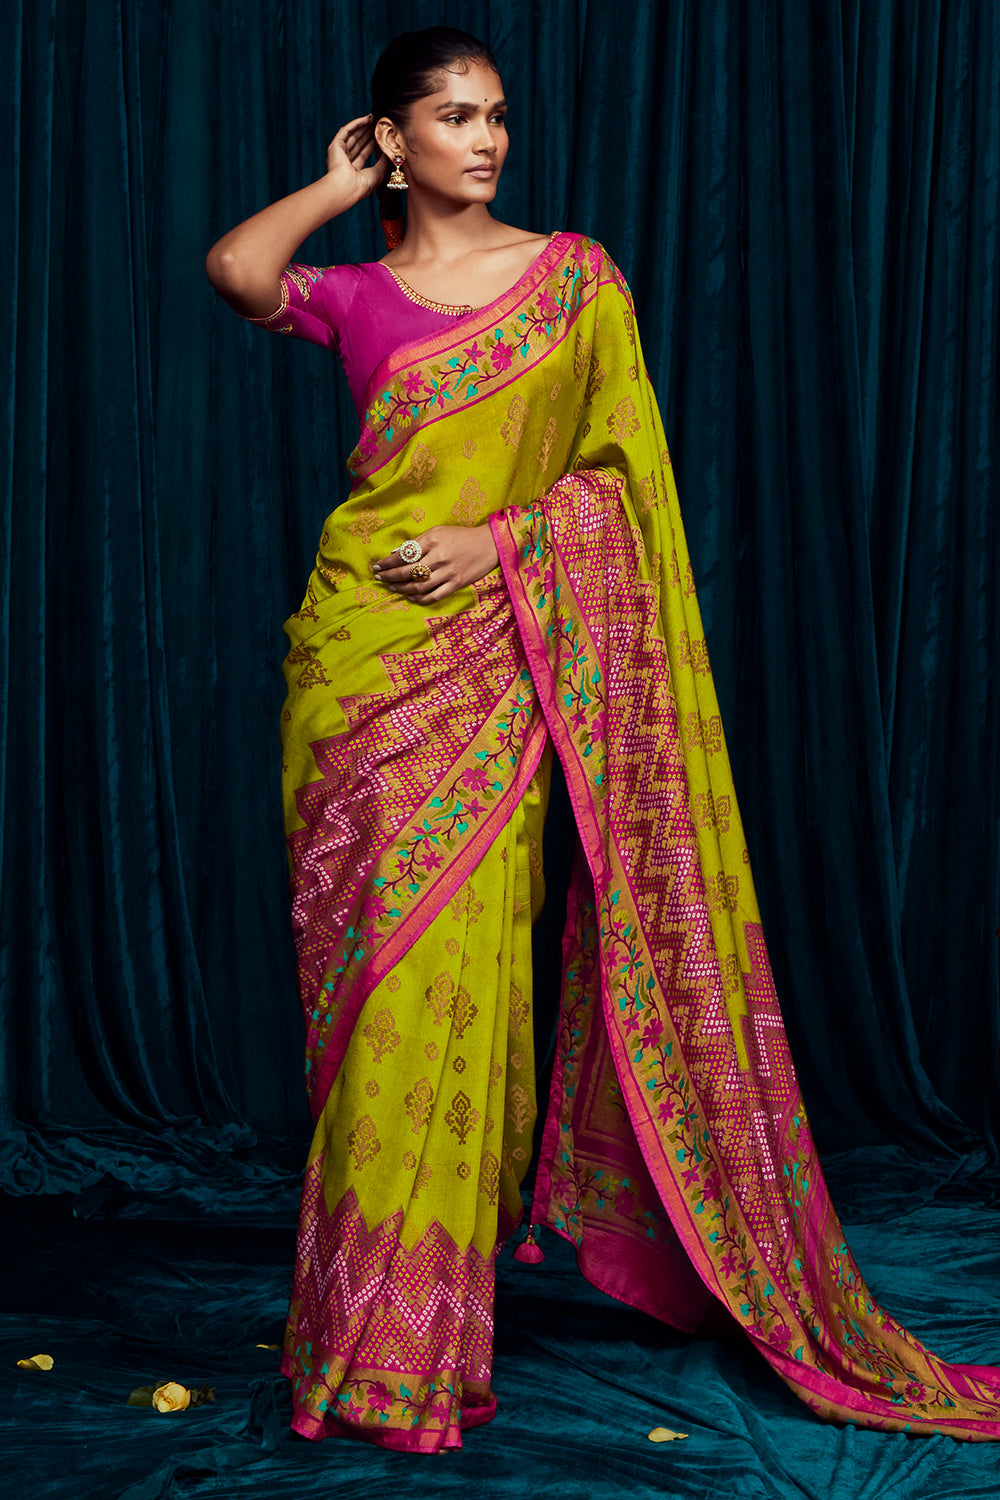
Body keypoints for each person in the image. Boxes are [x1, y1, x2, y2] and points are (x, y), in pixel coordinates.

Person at [206, 26, 1000, 1455]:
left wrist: (500, 540)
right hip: (358, 670)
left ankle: (414, 1344)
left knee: (454, 987)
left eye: (496, 116)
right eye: (454, 118)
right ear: (395, 139)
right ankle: (354, 1325)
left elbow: (624, 493)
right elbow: (237, 272)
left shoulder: (576, 281)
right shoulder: (360, 294)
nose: (487, 140)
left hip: (495, 673)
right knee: (373, 997)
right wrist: (337, 189)